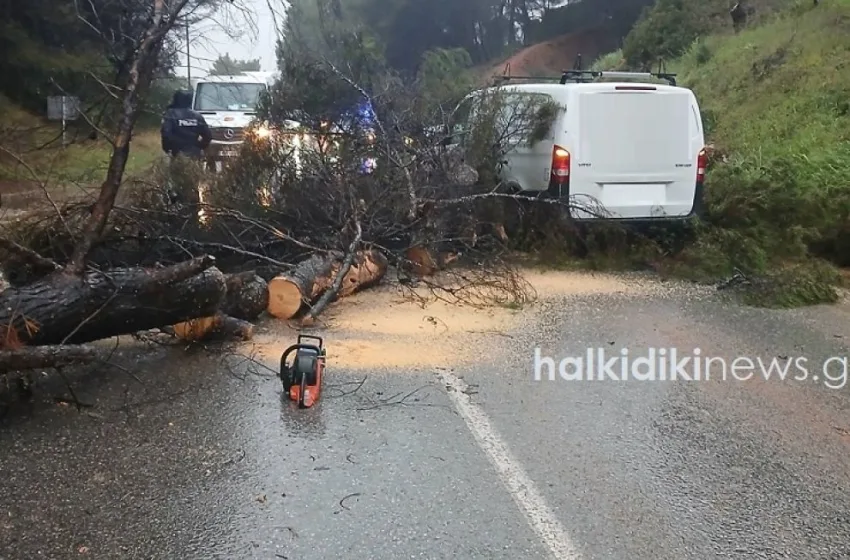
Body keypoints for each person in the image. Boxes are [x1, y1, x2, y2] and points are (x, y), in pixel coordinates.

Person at [160, 90, 212, 159]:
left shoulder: (171, 114)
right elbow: (208, 136)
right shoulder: (197, 116)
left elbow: (166, 134)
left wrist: (168, 149)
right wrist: (199, 146)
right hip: (194, 153)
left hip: (176, 153)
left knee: (176, 169)